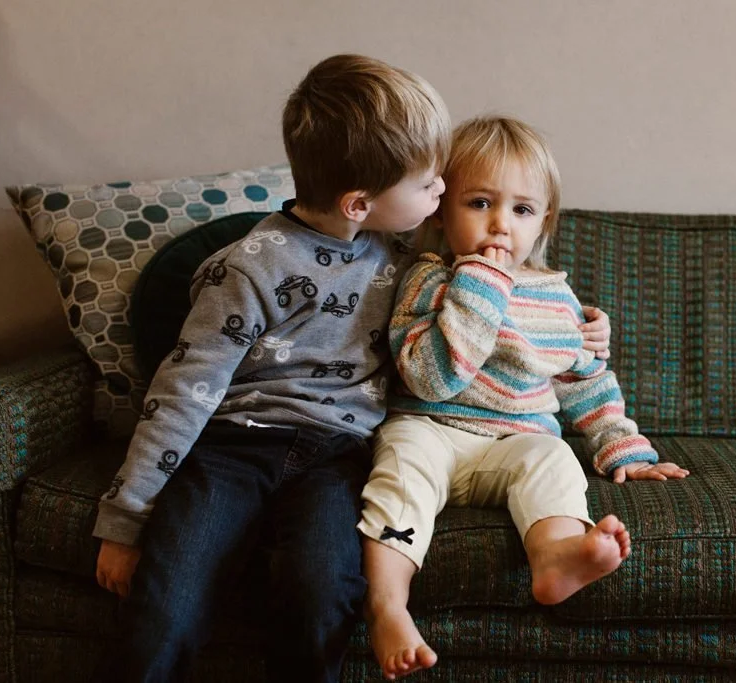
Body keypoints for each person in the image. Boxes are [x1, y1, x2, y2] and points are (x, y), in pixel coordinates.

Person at [92, 56, 610, 682]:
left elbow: (507, 312)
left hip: (337, 455)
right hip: (232, 446)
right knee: (168, 599)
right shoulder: (250, 267)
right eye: (428, 184)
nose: (442, 193)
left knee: (323, 591)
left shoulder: (405, 258)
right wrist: (125, 523)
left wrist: (586, 329)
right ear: (360, 202)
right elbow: (180, 393)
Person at [357, 116, 690, 680]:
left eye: (521, 210)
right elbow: (432, 379)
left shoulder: (555, 297)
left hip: (514, 441)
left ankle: (557, 557)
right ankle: (388, 606)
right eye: (480, 203)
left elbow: (583, 379)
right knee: (402, 470)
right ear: (441, 210)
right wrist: (481, 285)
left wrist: (623, 448)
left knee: (553, 459)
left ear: (543, 222)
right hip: (431, 427)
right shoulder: (428, 280)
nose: (499, 226)